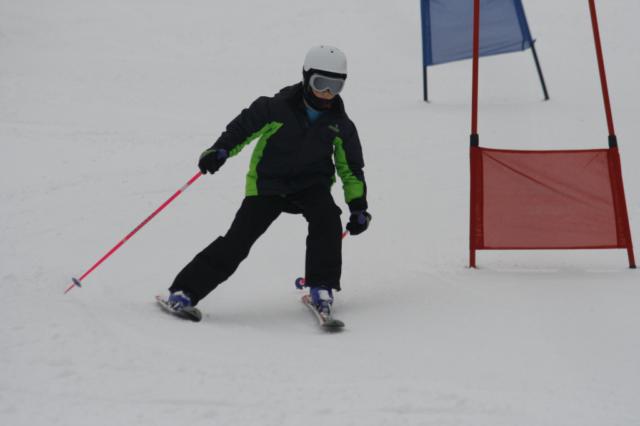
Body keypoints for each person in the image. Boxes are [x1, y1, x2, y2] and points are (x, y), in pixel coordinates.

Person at [167, 45, 371, 316]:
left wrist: (358, 206)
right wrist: (219, 150)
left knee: (328, 220)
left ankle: (321, 287)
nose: (327, 92)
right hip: (269, 184)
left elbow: (351, 169)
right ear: (306, 77)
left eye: (335, 86)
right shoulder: (275, 108)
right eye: (321, 83)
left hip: (311, 185)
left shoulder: (341, 125)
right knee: (239, 239)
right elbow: (241, 129)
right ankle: (185, 291)